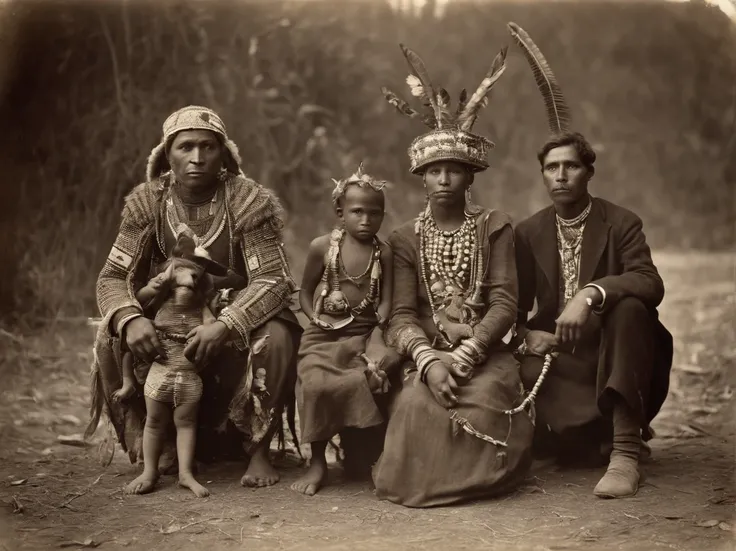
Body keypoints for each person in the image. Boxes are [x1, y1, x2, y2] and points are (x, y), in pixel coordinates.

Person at [87, 105, 302, 489]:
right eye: (186, 147)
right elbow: (112, 277)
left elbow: (273, 278)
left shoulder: (247, 201)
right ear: (167, 154)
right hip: (168, 317)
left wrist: (225, 324)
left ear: (224, 154)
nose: (197, 158)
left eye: (208, 147)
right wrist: (132, 318)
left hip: (229, 316)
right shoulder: (146, 202)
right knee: (111, 332)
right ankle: (160, 439)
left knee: (279, 335)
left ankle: (258, 449)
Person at [507, 23, 673, 498]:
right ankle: (569, 440)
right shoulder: (528, 231)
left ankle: (624, 450)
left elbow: (649, 282)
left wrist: (590, 293)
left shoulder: (622, 222)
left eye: (571, 166)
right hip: (561, 359)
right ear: (542, 175)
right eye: (551, 168)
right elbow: (513, 310)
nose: (561, 176)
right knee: (507, 361)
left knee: (630, 308)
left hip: (618, 352)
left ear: (588, 172)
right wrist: (526, 335)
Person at [371, 43, 535, 508]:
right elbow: (401, 314)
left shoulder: (494, 225)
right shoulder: (404, 238)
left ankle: (484, 478)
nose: (444, 180)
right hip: (427, 348)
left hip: (484, 350)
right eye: (434, 171)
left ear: (470, 178)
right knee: (415, 405)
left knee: (484, 397)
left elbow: (504, 301)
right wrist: (428, 360)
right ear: (421, 178)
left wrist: (469, 351)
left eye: (454, 171)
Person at [291, 164, 399, 496]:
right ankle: (318, 461)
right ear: (340, 211)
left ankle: (363, 452)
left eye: (374, 213)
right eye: (357, 212)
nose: (366, 220)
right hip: (323, 334)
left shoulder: (385, 253)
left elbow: (387, 302)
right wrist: (315, 319)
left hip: (363, 334)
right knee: (315, 381)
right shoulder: (322, 247)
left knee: (366, 375)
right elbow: (305, 292)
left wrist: (377, 329)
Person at [123, 228, 224, 497]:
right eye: (180, 281)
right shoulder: (159, 302)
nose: (187, 285)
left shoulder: (201, 306)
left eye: (193, 279)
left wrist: (211, 325)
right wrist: (156, 284)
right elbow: (139, 299)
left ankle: (186, 474)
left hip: (189, 376)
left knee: (186, 422)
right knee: (154, 422)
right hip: (161, 370)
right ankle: (149, 471)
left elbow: (212, 324)